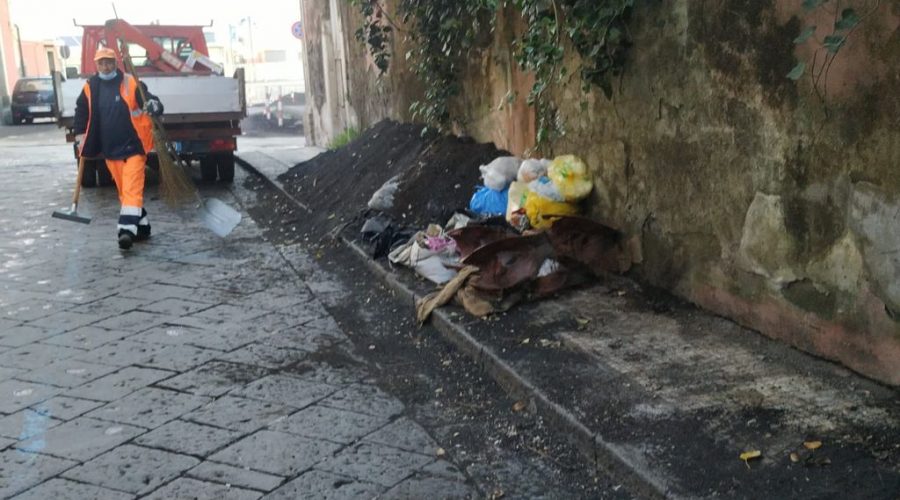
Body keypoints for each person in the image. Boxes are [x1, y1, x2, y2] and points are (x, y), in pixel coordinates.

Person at [74, 47, 164, 250]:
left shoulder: (129, 82)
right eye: (101, 63)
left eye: (109, 62)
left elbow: (147, 98)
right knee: (125, 193)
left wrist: (153, 105)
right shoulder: (91, 87)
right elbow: (81, 112)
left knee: (132, 189)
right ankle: (143, 228)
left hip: (134, 146)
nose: (106, 66)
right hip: (110, 149)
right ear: (96, 65)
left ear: (116, 63)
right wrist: (81, 137)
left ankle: (126, 231)